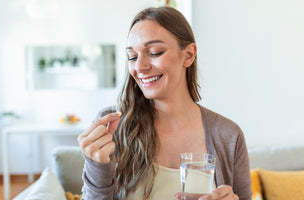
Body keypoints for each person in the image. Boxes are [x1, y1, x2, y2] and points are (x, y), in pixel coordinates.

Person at [78, 6, 252, 200]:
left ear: (188, 55)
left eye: (154, 52)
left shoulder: (228, 135)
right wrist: (97, 168)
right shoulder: (112, 128)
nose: (140, 67)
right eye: (132, 57)